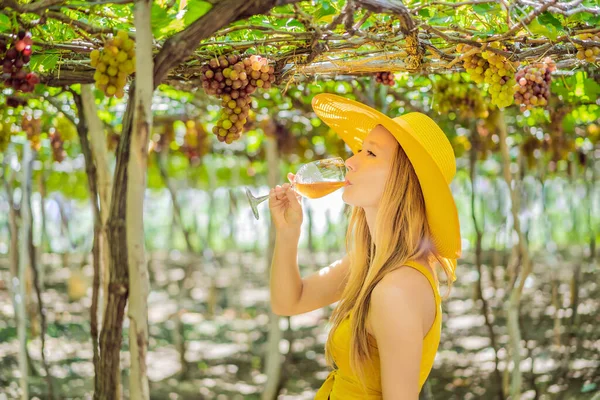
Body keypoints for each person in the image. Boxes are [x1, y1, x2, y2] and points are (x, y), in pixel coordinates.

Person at [268, 93, 462, 399]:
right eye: (359, 150)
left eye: (370, 154)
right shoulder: (373, 262)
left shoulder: (396, 289)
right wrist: (288, 232)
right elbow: (288, 302)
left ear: (403, 178)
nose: (349, 161)